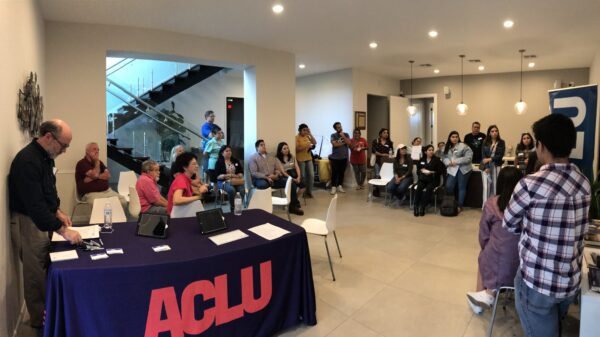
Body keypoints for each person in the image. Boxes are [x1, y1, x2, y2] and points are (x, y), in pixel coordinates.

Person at [503, 114, 590, 337]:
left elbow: (509, 223)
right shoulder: (584, 182)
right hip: (569, 282)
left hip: (537, 282)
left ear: (540, 145)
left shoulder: (530, 185)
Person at [9, 119, 83, 329]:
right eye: (64, 145)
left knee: (43, 267)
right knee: (35, 273)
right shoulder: (27, 161)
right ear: (48, 137)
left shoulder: (46, 157)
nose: (65, 150)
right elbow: (35, 205)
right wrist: (63, 231)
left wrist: (58, 211)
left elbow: (48, 191)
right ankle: (40, 325)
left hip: (41, 219)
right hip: (29, 221)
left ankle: (49, 315)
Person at [466, 166, 523, 314]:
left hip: (498, 263)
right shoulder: (526, 204)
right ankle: (488, 294)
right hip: (523, 266)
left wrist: (487, 248)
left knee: (483, 255)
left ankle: (483, 298)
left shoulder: (492, 203)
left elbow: (483, 236)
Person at [249, 139, 304, 215]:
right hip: (260, 179)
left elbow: (277, 169)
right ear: (257, 148)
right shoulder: (253, 158)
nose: (264, 146)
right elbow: (254, 172)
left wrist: (276, 175)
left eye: (264, 144)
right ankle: (265, 208)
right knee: (264, 185)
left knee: (291, 183)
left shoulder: (271, 156)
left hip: (274, 178)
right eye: (261, 145)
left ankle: (293, 206)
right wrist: (267, 177)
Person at [75, 142, 127, 208]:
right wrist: (97, 162)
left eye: (98, 150)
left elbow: (108, 175)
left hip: (106, 191)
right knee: (99, 205)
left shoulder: (100, 163)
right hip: (90, 194)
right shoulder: (82, 163)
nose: (97, 151)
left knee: (122, 201)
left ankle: (113, 218)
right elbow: (95, 175)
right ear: (87, 151)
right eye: (94, 149)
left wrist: (92, 178)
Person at [442, 131, 473, 211]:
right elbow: (444, 157)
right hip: (452, 169)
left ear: (458, 138)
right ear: (449, 138)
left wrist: (456, 161)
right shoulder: (446, 147)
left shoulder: (464, 146)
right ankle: (452, 202)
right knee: (449, 186)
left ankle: (459, 206)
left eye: (456, 137)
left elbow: (469, 158)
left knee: (461, 187)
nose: (455, 138)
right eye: (453, 137)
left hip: (463, 169)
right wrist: (448, 162)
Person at [413, 144, 445, 216]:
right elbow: (418, 171)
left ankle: (422, 207)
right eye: (429, 150)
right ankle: (416, 206)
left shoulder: (437, 160)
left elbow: (440, 171)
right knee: (419, 187)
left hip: (433, 179)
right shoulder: (421, 160)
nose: (431, 151)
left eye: (432, 150)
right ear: (425, 152)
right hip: (423, 179)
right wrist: (421, 171)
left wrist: (431, 172)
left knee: (429, 189)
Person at [214, 145, 245, 212]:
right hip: (222, 181)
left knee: (242, 190)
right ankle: (233, 208)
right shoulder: (219, 162)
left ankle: (238, 207)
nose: (229, 152)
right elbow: (217, 176)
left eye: (230, 150)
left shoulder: (235, 161)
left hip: (235, 181)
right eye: (226, 151)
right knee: (231, 190)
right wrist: (227, 175)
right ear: (222, 153)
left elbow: (241, 172)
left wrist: (238, 175)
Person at [481, 125, 506, 200]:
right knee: (486, 187)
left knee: (495, 186)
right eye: (492, 131)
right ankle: (485, 207)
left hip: (496, 166)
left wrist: (490, 159)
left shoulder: (501, 142)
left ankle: (494, 206)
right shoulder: (485, 142)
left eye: (496, 131)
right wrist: (486, 167)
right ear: (489, 133)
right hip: (486, 167)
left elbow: (500, 155)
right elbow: (483, 155)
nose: (494, 133)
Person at [330, 122, 352, 195]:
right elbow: (335, 144)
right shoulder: (333, 135)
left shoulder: (346, 134)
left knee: (342, 173)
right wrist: (344, 142)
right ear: (335, 129)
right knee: (334, 173)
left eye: (340, 126)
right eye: (338, 127)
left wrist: (343, 137)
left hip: (344, 158)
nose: (340, 128)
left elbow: (349, 143)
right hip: (335, 158)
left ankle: (340, 186)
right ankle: (333, 187)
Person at [295, 123, 316, 198]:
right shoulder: (296, 138)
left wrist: (310, 133)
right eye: (304, 130)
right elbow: (297, 149)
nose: (305, 131)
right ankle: (303, 192)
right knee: (303, 176)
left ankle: (309, 192)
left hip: (309, 158)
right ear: (300, 130)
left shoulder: (308, 136)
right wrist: (306, 146)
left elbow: (314, 142)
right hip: (300, 159)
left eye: (306, 130)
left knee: (311, 175)